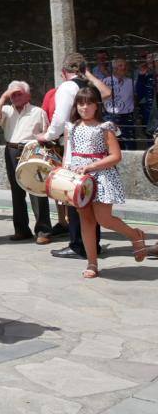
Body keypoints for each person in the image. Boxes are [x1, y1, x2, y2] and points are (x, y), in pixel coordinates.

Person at [64, 85, 148, 277]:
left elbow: (116, 156)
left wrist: (91, 166)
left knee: (104, 219)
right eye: (80, 103)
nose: (84, 107)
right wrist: (65, 179)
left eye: (89, 103)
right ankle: (92, 264)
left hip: (101, 177)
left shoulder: (105, 127)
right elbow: (68, 156)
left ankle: (135, 235)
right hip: (78, 180)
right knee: (86, 221)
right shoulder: (71, 127)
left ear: (96, 106)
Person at [35, 52, 112, 261]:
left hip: (76, 148)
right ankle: (92, 246)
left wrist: (47, 135)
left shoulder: (67, 87)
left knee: (76, 198)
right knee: (89, 197)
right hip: (94, 149)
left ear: (63, 72)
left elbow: (59, 119)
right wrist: (88, 74)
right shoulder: (90, 87)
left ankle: (78, 245)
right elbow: (107, 92)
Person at [0, 81, 51, 244]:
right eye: (13, 94)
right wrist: (5, 95)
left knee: (37, 190)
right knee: (16, 192)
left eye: (19, 93)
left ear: (28, 95)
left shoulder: (38, 111)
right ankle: (21, 230)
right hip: (11, 150)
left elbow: (47, 132)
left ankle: (43, 231)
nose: (15, 97)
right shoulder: (6, 110)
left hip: (31, 150)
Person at [101, 58, 135, 149]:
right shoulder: (105, 81)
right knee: (112, 144)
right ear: (114, 68)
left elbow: (136, 97)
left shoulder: (130, 81)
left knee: (129, 143)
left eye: (125, 65)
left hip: (128, 116)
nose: (124, 68)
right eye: (120, 65)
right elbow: (100, 97)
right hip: (110, 116)